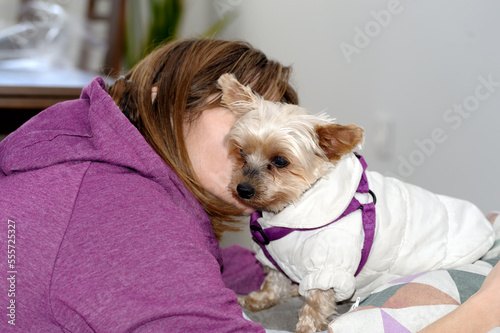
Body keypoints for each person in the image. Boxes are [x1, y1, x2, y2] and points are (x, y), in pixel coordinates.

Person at [0, 37, 499, 333]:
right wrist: (479, 314)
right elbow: (151, 264)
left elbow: (194, 271)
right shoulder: (124, 216)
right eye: (237, 114)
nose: (246, 160)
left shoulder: (78, 145)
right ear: (161, 97)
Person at [0, 38, 295, 332]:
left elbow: (182, 267)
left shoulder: (86, 168)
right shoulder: (124, 208)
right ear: (163, 104)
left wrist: (298, 262)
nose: (262, 143)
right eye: (247, 114)